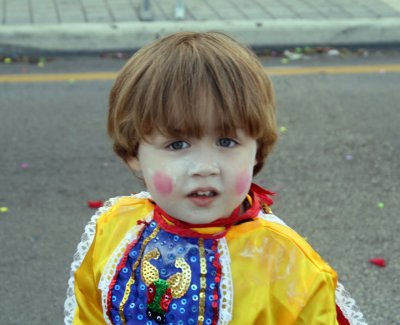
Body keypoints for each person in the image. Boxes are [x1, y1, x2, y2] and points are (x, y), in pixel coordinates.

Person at [64, 32, 366, 325]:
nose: (205, 167)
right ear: (133, 154)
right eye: (177, 145)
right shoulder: (113, 230)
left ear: (258, 151)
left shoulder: (288, 267)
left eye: (226, 142)